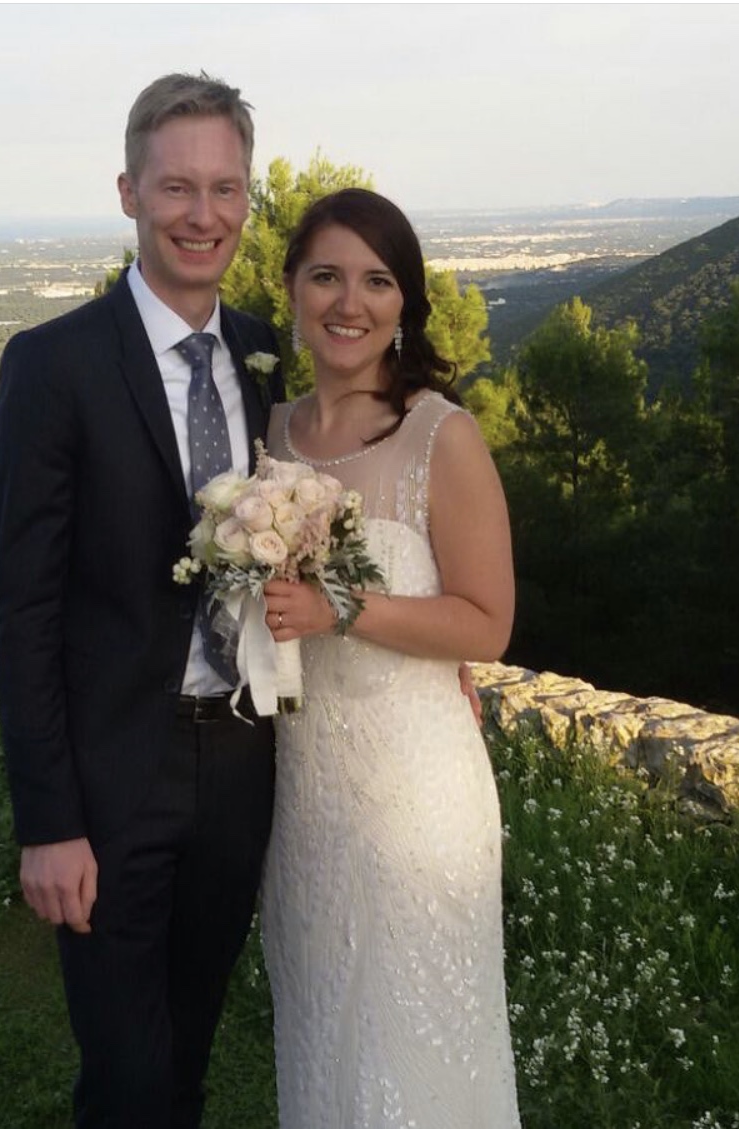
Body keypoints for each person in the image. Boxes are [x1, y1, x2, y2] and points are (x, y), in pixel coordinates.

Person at [0, 73, 283, 1129]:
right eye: (176, 187)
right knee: (126, 1076)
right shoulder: (54, 365)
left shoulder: (267, 356)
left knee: (188, 1052)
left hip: (243, 763)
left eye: (224, 188)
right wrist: (49, 822)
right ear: (129, 193)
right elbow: (23, 610)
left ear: (246, 198)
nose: (202, 215)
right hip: (113, 774)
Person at [259, 188, 521, 1127]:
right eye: (325, 276)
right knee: (325, 1034)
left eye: (375, 281)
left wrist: (340, 607)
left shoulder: (439, 437)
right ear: (292, 288)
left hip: (416, 801)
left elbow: (486, 624)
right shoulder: (269, 436)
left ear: (404, 302)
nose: (348, 302)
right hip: (302, 797)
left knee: (414, 1043)